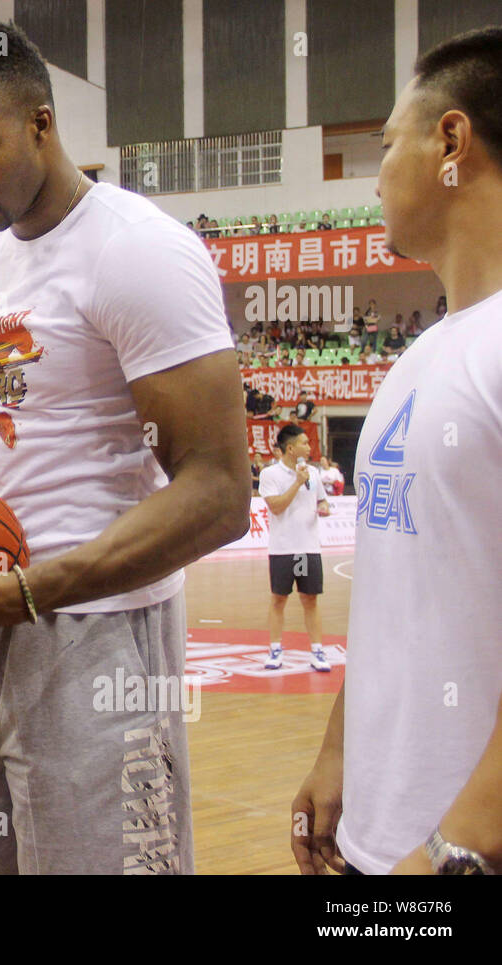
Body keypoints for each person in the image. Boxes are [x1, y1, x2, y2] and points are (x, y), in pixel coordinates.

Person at [0, 20, 249, 874]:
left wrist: (22, 591)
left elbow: (217, 492)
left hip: (98, 630)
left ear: (41, 124)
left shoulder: (139, 251)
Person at [293, 27, 502, 877]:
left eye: (383, 144)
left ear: (450, 141)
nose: (375, 173)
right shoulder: (423, 354)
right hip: (383, 836)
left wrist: (460, 846)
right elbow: (397, 586)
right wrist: (341, 749)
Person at [258, 425, 331, 671]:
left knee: (310, 600)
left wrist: (324, 507)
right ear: (290, 448)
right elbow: (276, 506)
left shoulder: (314, 473)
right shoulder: (270, 475)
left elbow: (322, 498)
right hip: (283, 549)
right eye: (304, 443)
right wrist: (298, 483)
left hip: (308, 548)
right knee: (279, 599)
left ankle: (318, 651)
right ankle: (275, 648)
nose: (309, 447)